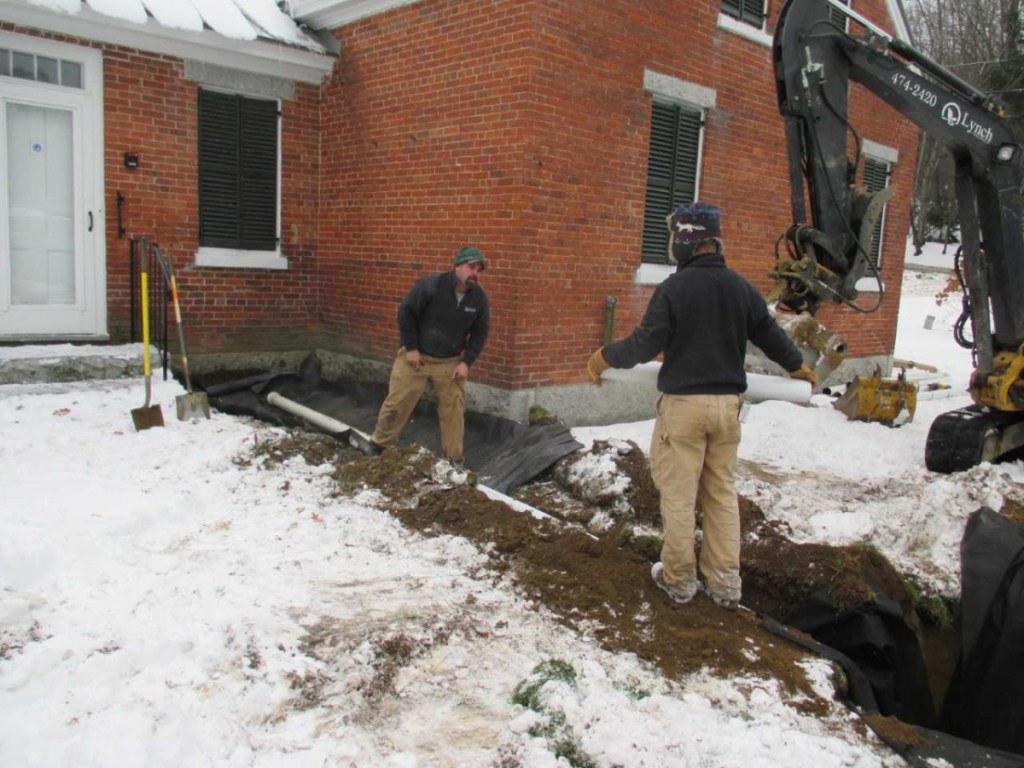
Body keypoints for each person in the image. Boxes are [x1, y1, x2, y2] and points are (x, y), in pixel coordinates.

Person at [586, 202, 817, 610]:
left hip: (685, 407)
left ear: (687, 240)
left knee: (678, 495)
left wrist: (605, 357)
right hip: (727, 408)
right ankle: (725, 584)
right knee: (720, 494)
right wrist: (797, 366)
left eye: (676, 238)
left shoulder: (675, 289)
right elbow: (769, 334)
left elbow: (646, 343)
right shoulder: (741, 288)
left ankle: (678, 579)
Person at [369, 246, 490, 465]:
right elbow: (406, 313)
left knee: (453, 409)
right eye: (471, 267)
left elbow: (480, 333)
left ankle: (454, 460)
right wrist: (412, 348)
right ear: (457, 266)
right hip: (416, 357)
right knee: (397, 403)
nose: (475, 273)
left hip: (449, 361)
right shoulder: (431, 286)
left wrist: (466, 362)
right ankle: (379, 446)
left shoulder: (479, 299)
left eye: (479, 270)